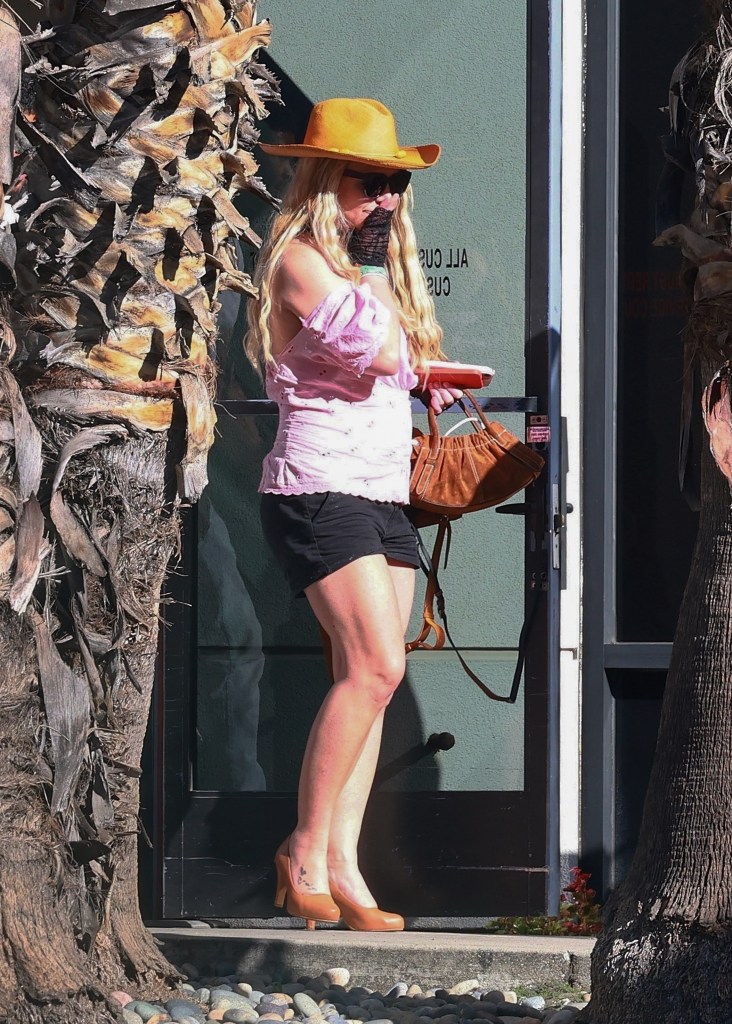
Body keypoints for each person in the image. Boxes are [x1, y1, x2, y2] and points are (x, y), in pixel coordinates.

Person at [246, 97, 459, 931]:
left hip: (381, 491)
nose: (388, 200)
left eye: (396, 185)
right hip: (319, 487)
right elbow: (378, 350)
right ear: (326, 180)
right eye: (371, 183)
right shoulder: (301, 261)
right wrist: (374, 273)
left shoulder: (367, 271)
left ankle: (343, 866)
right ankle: (301, 850)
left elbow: (399, 360)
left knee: (367, 682)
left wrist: (425, 375)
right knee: (374, 669)